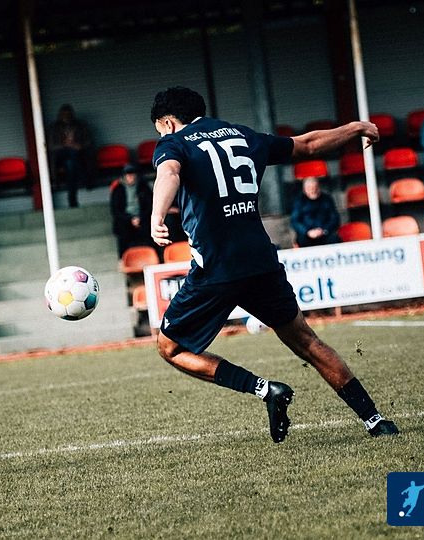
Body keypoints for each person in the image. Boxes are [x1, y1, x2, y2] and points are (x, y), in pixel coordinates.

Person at [148, 86, 397, 443]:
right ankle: (375, 420)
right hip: (261, 262)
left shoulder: (173, 143)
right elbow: (308, 145)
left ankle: (265, 389)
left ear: (168, 123)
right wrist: (355, 127)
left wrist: (157, 215)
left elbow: (169, 173)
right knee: (307, 341)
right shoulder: (242, 135)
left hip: (217, 268)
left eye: (160, 129)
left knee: (170, 347)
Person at [47, 104, 92, 208]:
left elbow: (88, 142)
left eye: (68, 114)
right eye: (64, 114)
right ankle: (84, 178)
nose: (66, 116)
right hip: (60, 156)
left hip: (78, 156)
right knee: (71, 161)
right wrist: (65, 145)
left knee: (71, 164)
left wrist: (78, 146)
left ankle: (72, 200)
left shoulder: (80, 126)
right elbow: (51, 146)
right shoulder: (54, 128)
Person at [110, 164, 151, 256]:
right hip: (125, 218)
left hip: (142, 216)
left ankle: (152, 254)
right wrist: (130, 219)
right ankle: (123, 257)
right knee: (122, 229)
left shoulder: (143, 187)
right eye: (128, 175)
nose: (130, 177)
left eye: (132, 174)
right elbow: (115, 210)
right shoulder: (118, 189)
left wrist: (140, 217)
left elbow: (149, 205)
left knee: (149, 226)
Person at [290, 177, 340, 247]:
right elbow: (295, 221)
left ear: (319, 187)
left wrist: (324, 230)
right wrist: (307, 232)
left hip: (324, 233)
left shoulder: (327, 199)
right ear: (304, 190)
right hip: (307, 235)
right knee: (302, 241)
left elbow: (335, 218)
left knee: (335, 239)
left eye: (315, 187)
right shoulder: (299, 201)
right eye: (309, 188)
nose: (313, 190)